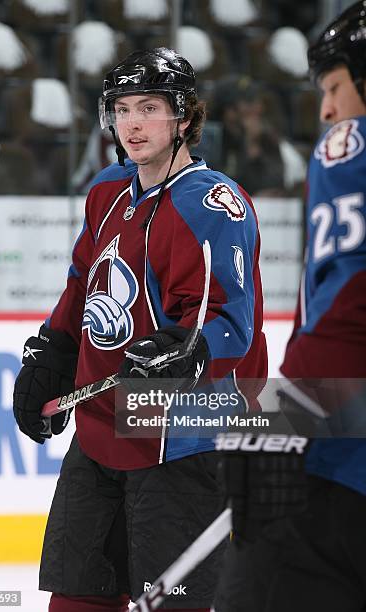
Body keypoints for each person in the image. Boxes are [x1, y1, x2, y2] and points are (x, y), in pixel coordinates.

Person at [12, 47, 267, 612]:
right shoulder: (107, 190)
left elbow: (230, 321)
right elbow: (83, 285)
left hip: (181, 442)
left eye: (148, 107)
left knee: (173, 603)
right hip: (102, 434)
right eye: (121, 109)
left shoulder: (212, 205)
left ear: (183, 116)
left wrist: (188, 351)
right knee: (77, 596)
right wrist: (52, 351)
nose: (131, 123)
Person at [214, 2, 366, 610]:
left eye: (335, 86)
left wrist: (280, 418)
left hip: (340, 472)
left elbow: (353, 297)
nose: (327, 110)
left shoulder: (348, 146)